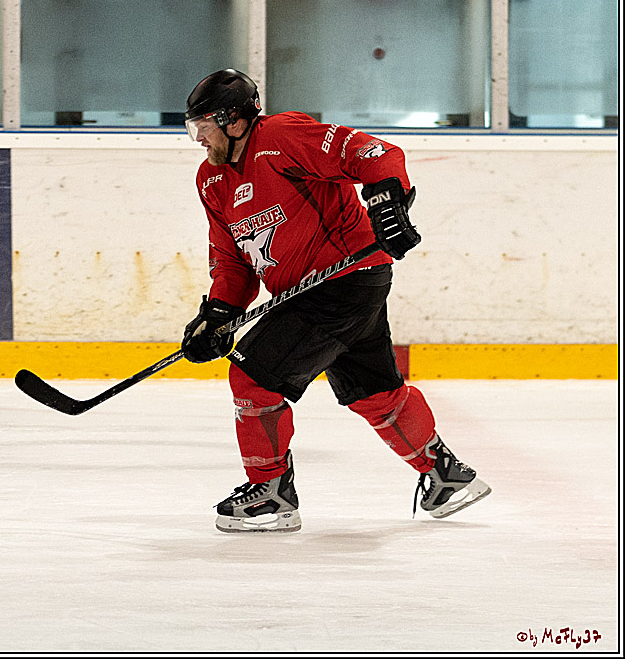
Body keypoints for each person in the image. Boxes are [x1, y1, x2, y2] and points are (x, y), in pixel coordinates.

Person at [180, 69, 491, 533]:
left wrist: (387, 198)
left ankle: (271, 494)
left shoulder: (283, 136)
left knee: (252, 379)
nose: (199, 138)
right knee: (374, 392)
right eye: (194, 127)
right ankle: (446, 477)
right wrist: (219, 313)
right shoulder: (212, 180)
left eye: (205, 126)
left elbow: (375, 154)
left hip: (342, 282)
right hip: (323, 290)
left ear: (236, 121)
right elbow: (232, 259)